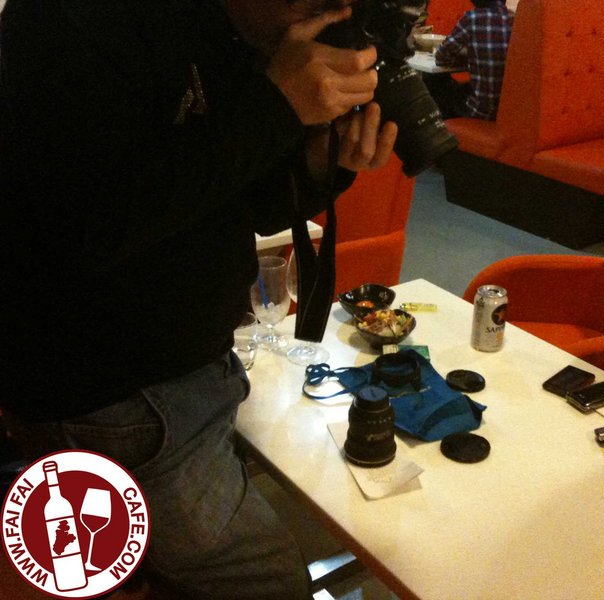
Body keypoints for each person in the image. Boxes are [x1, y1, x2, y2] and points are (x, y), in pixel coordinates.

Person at [0, 0, 397, 597]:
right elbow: (87, 223)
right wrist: (273, 106)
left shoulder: (219, 32)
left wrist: (320, 159)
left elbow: (242, 200)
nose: (330, 17)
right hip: (115, 399)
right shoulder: (67, 21)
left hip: (184, 378)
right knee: (271, 582)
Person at [429, 0, 513, 120]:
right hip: (506, 111)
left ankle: (441, 129)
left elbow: (441, 57)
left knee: (434, 82)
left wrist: (467, 53)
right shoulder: (513, 19)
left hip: (481, 111)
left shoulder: (472, 18)